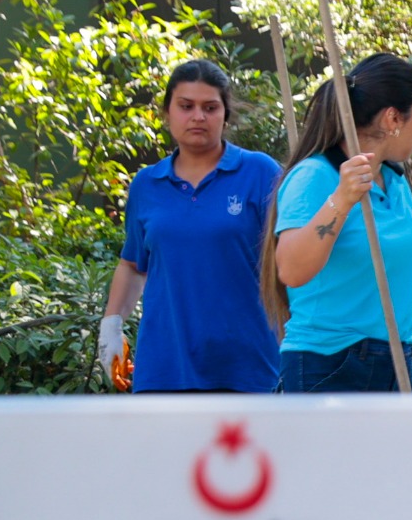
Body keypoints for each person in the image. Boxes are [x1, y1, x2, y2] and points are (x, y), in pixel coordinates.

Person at [99, 60, 282, 393]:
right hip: (162, 368)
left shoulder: (260, 173)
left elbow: (289, 262)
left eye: (210, 107)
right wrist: (111, 325)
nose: (198, 116)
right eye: (186, 106)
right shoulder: (146, 183)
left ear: (225, 114)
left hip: (244, 367)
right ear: (167, 112)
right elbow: (133, 264)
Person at [263, 54, 412, 393]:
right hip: (331, 362)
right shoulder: (315, 177)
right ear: (393, 117)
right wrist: (342, 198)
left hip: (397, 359)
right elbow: (292, 270)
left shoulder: (395, 181)